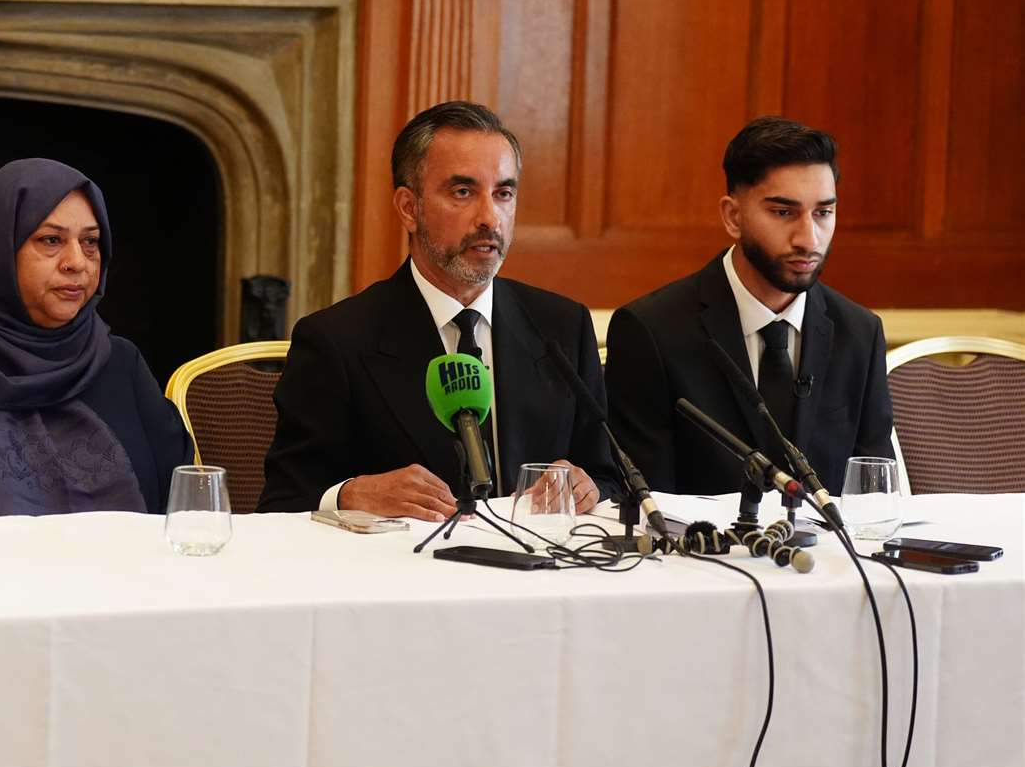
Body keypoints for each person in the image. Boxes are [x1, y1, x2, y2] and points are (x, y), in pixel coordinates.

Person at [258, 102, 620, 520]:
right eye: (463, 192)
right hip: (404, 576)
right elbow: (282, 503)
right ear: (409, 208)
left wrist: (587, 486)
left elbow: (607, 476)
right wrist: (352, 494)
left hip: (536, 575)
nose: (489, 218)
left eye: (503, 193)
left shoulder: (562, 327)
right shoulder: (337, 340)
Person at [0, 158, 191, 515]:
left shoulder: (121, 364)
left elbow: (182, 504)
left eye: (90, 242)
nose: (77, 261)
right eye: (51, 240)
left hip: (114, 569)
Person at [604, 117, 894, 495]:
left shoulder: (860, 332)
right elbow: (647, 502)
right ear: (733, 216)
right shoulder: (651, 331)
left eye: (823, 213)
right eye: (783, 212)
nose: (809, 238)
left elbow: (875, 496)